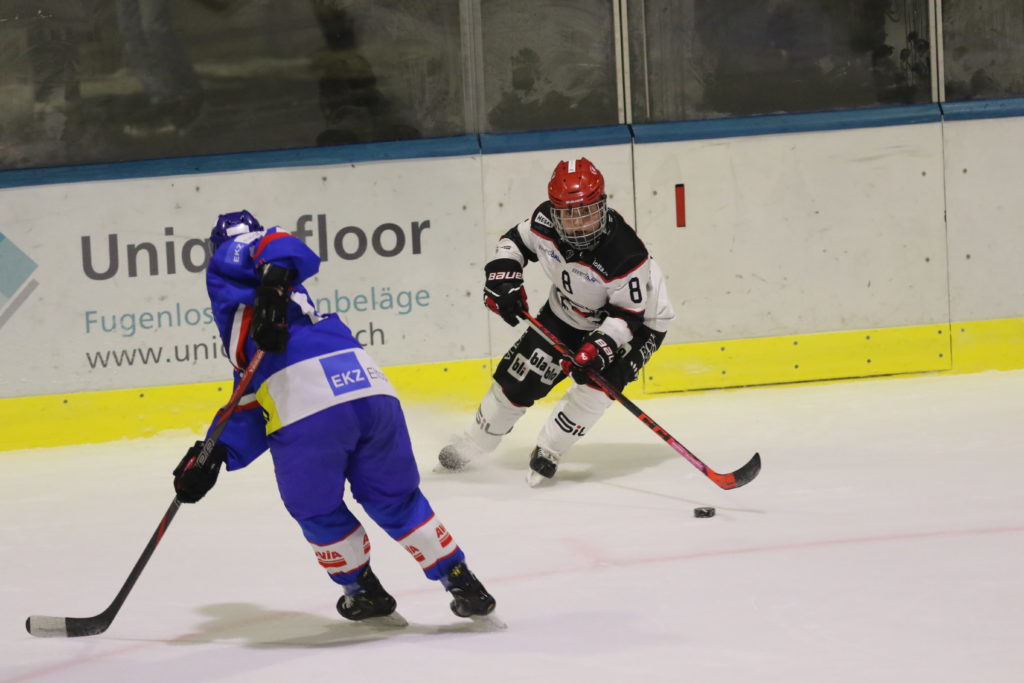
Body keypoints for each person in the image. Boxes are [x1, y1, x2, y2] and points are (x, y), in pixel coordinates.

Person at [173, 210, 495, 622]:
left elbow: (270, 243)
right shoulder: (297, 312)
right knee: (396, 499)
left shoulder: (232, 261)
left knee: (316, 507)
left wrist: (269, 288)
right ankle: (461, 580)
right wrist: (213, 452)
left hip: (307, 407)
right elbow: (253, 398)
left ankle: (362, 591)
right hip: (369, 388)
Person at [437, 157, 675, 485]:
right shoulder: (544, 221)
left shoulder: (625, 254)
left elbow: (627, 316)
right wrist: (503, 275)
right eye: (568, 215)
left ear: (603, 206)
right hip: (568, 310)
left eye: (587, 213)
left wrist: (598, 349)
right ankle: (475, 442)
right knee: (518, 379)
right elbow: (515, 241)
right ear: (554, 211)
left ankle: (550, 449)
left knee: (597, 385)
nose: (579, 225)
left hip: (640, 321)